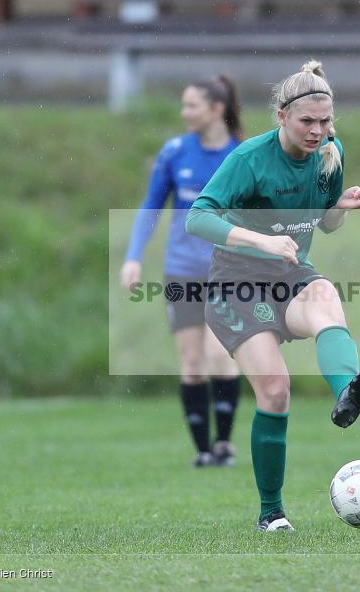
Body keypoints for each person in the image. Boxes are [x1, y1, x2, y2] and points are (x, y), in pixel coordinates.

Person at [186, 60, 360, 532]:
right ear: (281, 117)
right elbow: (197, 217)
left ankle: (347, 395)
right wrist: (262, 240)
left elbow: (325, 222)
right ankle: (270, 513)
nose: (318, 131)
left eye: (325, 121)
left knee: (326, 298)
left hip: (290, 274)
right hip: (236, 284)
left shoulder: (330, 153)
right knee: (274, 392)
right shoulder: (249, 160)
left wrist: (342, 207)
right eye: (307, 122)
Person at [120, 75, 244, 468]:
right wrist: (134, 255)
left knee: (219, 358)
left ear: (216, 110)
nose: (184, 112)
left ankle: (224, 443)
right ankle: (203, 450)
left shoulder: (241, 156)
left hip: (226, 274)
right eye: (184, 105)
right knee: (191, 364)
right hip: (180, 274)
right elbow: (151, 206)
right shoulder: (175, 152)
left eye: (192, 105)